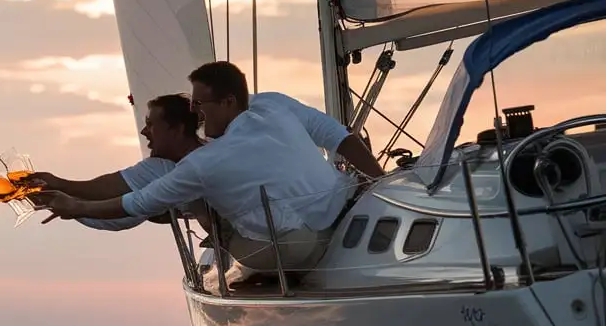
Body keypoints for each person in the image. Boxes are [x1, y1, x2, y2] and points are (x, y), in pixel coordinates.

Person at [41, 61, 384, 275]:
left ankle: (226, 237)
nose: (194, 111)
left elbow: (140, 203)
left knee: (216, 225)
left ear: (228, 102)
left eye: (198, 103)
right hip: (344, 213)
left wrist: (77, 208)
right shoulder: (274, 104)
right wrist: (380, 179)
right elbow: (337, 135)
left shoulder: (204, 164)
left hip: (297, 249)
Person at [24, 93, 202, 231]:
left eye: (151, 124)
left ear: (177, 129)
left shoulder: (164, 168)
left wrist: (60, 188)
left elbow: (107, 193)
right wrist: (60, 198)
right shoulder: (174, 164)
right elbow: (127, 214)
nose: (143, 131)